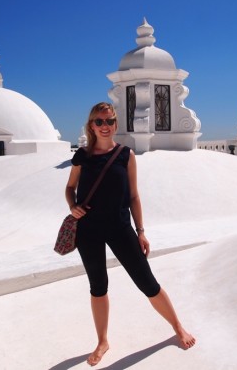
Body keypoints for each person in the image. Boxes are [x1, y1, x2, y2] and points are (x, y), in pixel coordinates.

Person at [65, 102, 195, 366]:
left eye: (109, 121)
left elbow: (134, 195)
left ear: (116, 124)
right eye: (99, 122)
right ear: (91, 125)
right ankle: (102, 341)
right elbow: (70, 187)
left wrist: (141, 231)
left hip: (120, 228)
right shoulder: (82, 156)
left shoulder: (126, 155)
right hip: (88, 231)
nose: (105, 126)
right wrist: (73, 206)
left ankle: (177, 326)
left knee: (147, 282)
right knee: (98, 287)